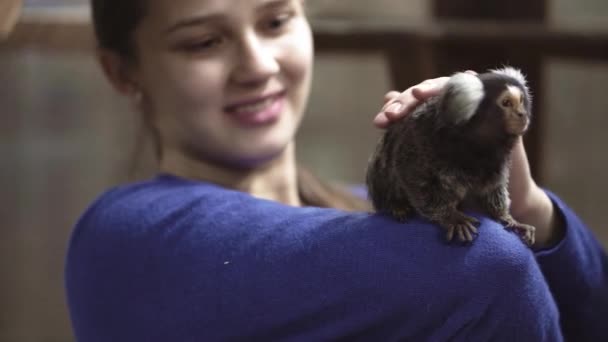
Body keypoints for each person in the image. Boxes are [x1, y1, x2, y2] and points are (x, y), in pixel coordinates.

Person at [65, 0, 608, 341]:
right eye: (204, 41)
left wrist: (525, 202)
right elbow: (491, 271)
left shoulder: (382, 220)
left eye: (276, 20)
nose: (258, 65)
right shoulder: (126, 238)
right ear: (121, 71)